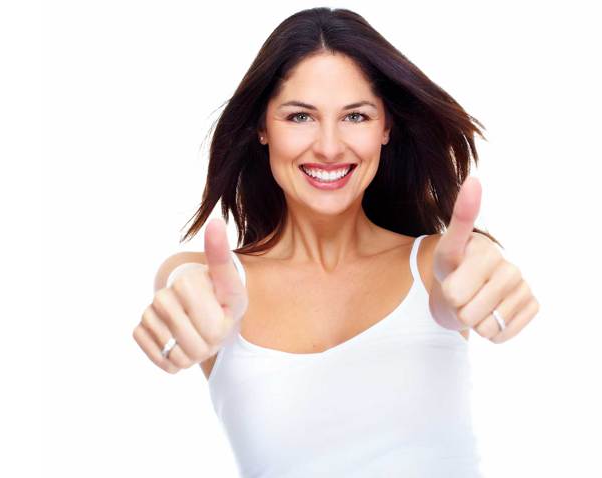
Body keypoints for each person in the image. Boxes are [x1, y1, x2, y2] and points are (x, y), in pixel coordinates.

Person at [133, 7, 539, 477]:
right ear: (262, 127)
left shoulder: (435, 268)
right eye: (300, 115)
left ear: (385, 128)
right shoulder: (211, 284)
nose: (328, 146)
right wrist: (184, 296)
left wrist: (488, 270)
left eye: (356, 116)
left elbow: (468, 273)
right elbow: (183, 282)